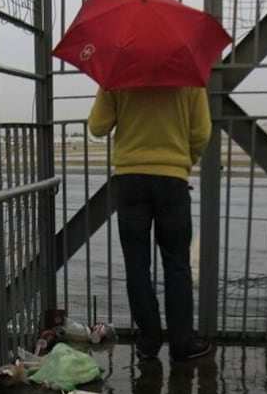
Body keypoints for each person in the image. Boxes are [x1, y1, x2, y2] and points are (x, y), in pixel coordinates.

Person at [88, 86, 214, 361]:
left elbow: (97, 127)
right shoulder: (189, 79)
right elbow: (202, 133)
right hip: (172, 181)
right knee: (177, 264)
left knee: (137, 265)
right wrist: (182, 164)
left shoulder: (118, 76)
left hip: (130, 180)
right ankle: (182, 343)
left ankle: (148, 341)